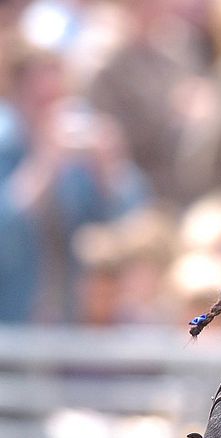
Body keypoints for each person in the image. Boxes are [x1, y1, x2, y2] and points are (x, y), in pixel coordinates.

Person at [0, 41, 149, 323]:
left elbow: (134, 227)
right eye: (39, 100)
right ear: (16, 96)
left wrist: (110, 168)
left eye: (56, 98)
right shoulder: (5, 144)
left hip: (76, 320)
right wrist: (44, 164)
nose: (51, 112)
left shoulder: (82, 144)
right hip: (10, 316)